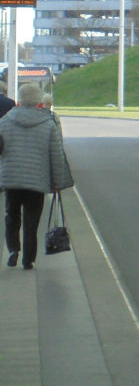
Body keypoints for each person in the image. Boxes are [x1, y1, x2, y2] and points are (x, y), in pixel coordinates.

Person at [0, 82, 74, 269]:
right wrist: (57, 181)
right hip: (37, 180)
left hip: (11, 178)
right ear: (39, 102)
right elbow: (56, 156)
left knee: (12, 215)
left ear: (19, 100)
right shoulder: (48, 124)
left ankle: (13, 250)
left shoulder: (5, 121)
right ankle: (28, 259)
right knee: (32, 221)